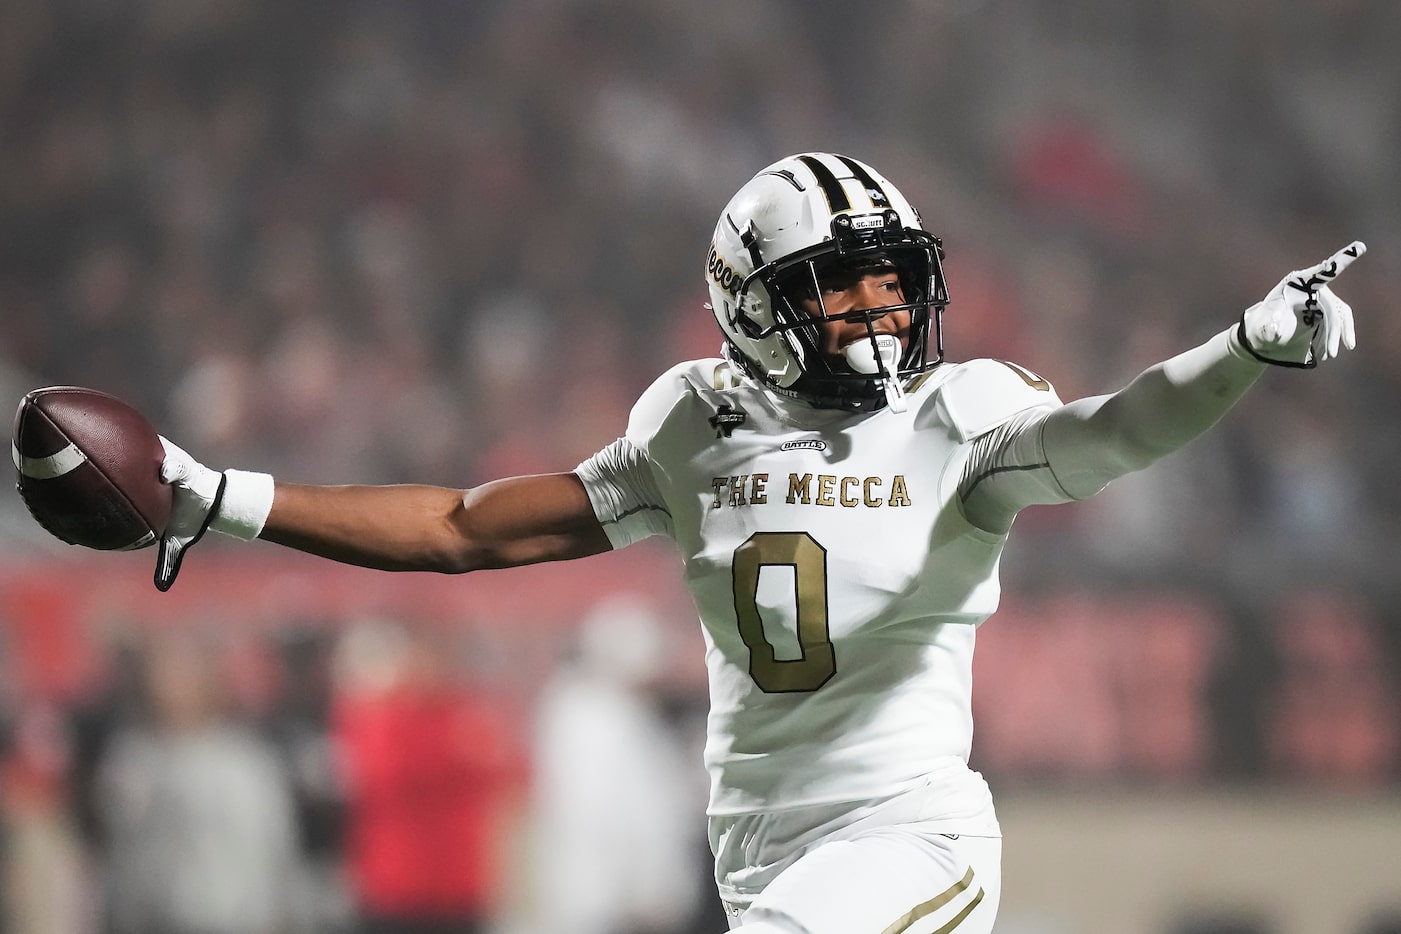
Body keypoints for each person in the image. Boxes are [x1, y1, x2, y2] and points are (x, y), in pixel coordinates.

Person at [151, 153, 1364, 934]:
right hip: (758, 846)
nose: (883, 308)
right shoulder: (694, 423)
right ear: (752, 305)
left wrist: (1242, 348)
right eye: (842, 284)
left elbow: (1112, 436)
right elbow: (466, 528)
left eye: (891, 278)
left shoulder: (960, 415)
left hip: (908, 831)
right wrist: (222, 496)